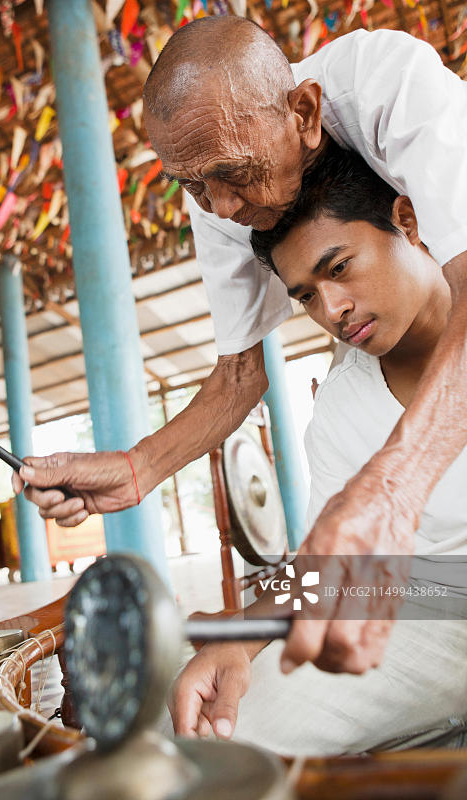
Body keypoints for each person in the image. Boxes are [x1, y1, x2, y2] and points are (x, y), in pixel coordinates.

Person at [13, 16, 467, 674]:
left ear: (305, 114)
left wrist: (389, 495)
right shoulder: (345, 407)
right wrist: (139, 469)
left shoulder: (395, 89)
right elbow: (239, 375)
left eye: (338, 268)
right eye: (192, 186)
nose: (219, 208)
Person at [168, 143, 467, 754]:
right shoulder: (341, 406)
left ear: (407, 222)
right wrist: (243, 638)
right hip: (424, 609)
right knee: (219, 733)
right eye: (305, 295)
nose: (332, 310)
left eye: (338, 268)